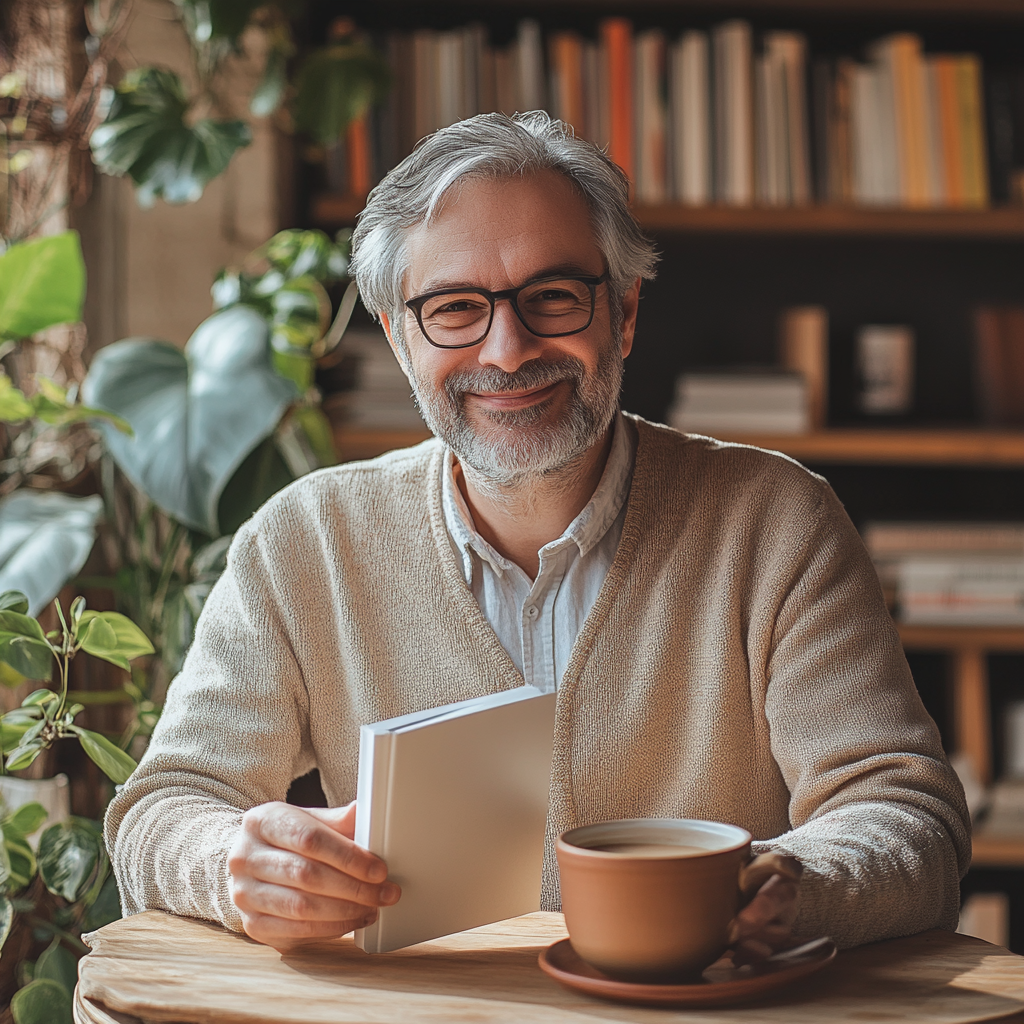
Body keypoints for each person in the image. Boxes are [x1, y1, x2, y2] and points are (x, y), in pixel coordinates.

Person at [105, 112, 970, 958]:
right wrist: (235, 865)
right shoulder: (305, 542)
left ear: (624, 313)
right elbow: (165, 807)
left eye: (552, 297)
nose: (509, 350)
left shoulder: (776, 523)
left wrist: (794, 881)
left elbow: (907, 814)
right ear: (400, 338)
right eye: (453, 308)